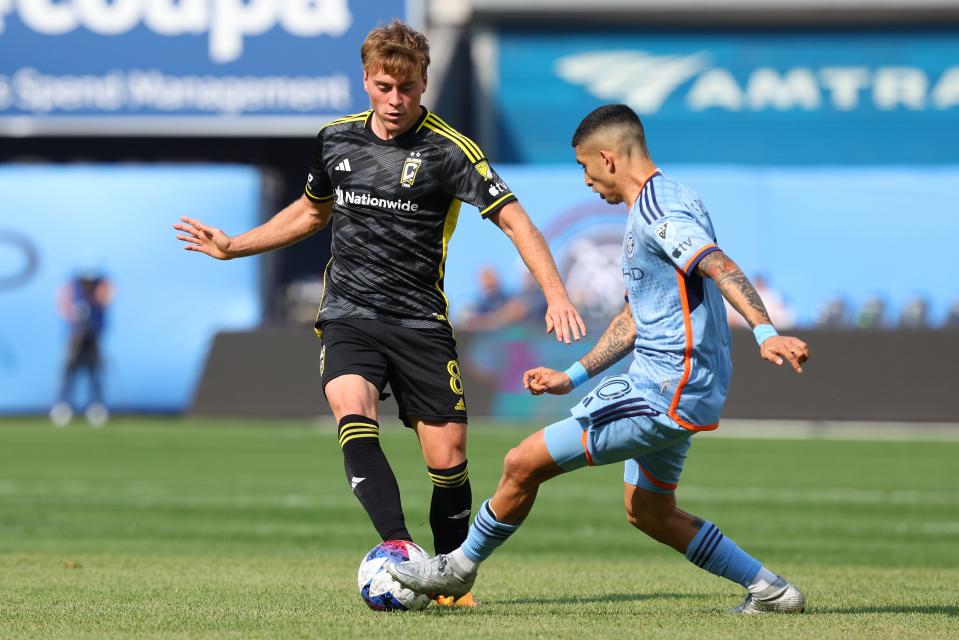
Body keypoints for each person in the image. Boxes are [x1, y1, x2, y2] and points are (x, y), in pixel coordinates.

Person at [173, 20, 585, 607]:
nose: (396, 101)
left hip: (420, 322)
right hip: (349, 312)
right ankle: (399, 550)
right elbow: (313, 214)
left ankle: (451, 583)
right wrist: (234, 244)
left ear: (425, 84)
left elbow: (516, 219)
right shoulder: (336, 140)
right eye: (385, 87)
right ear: (366, 80)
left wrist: (557, 293)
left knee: (449, 460)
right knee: (350, 405)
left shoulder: (450, 151)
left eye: (409, 89)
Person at [389, 104, 811, 614]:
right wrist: (571, 377)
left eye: (586, 168)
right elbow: (634, 320)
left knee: (522, 463)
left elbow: (719, 265)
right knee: (650, 512)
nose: (586, 182)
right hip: (676, 388)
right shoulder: (673, 199)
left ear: (608, 159)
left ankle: (454, 569)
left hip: (663, 390)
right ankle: (771, 590)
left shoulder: (660, 214)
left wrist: (765, 332)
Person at [50, 268, 114, 427]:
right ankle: (63, 406)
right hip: (75, 337)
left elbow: (106, 299)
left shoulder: (101, 288)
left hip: (93, 337)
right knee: (69, 372)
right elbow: (63, 306)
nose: (88, 284)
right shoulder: (72, 289)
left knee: (94, 373)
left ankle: (97, 407)